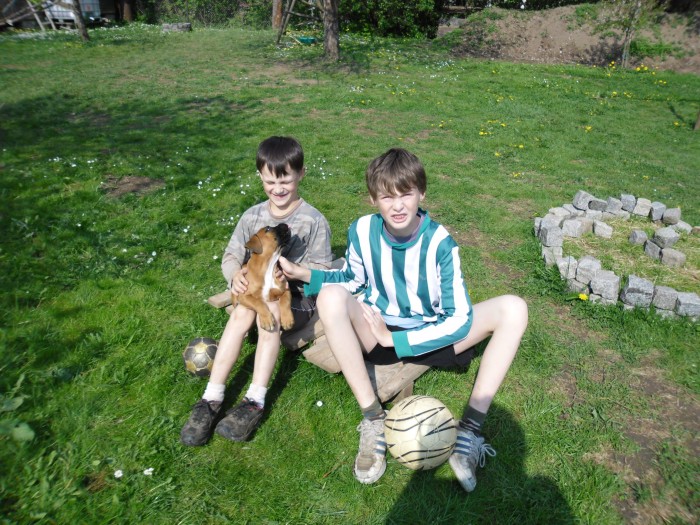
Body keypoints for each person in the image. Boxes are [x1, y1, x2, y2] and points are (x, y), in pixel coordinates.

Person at [279, 148, 528, 492]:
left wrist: (394, 339)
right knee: (331, 296)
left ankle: (468, 433)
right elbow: (351, 280)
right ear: (373, 199)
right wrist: (304, 274)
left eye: (405, 194)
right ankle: (373, 419)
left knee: (514, 308)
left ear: (421, 193)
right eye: (386, 196)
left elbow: (458, 319)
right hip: (376, 335)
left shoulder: (441, 244)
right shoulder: (362, 230)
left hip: (427, 337)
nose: (397, 206)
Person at [180, 136, 333, 446]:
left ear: (301, 174)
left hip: (295, 299)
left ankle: (255, 400)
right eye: (270, 181)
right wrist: (234, 275)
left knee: (271, 310)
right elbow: (231, 255)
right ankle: (211, 397)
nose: (278, 188)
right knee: (240, 315)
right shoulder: (252, 216)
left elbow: (324, 270)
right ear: (260, 177)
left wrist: (295, 272)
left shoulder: (313, 220)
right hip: (257, 292)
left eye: (285, 181)